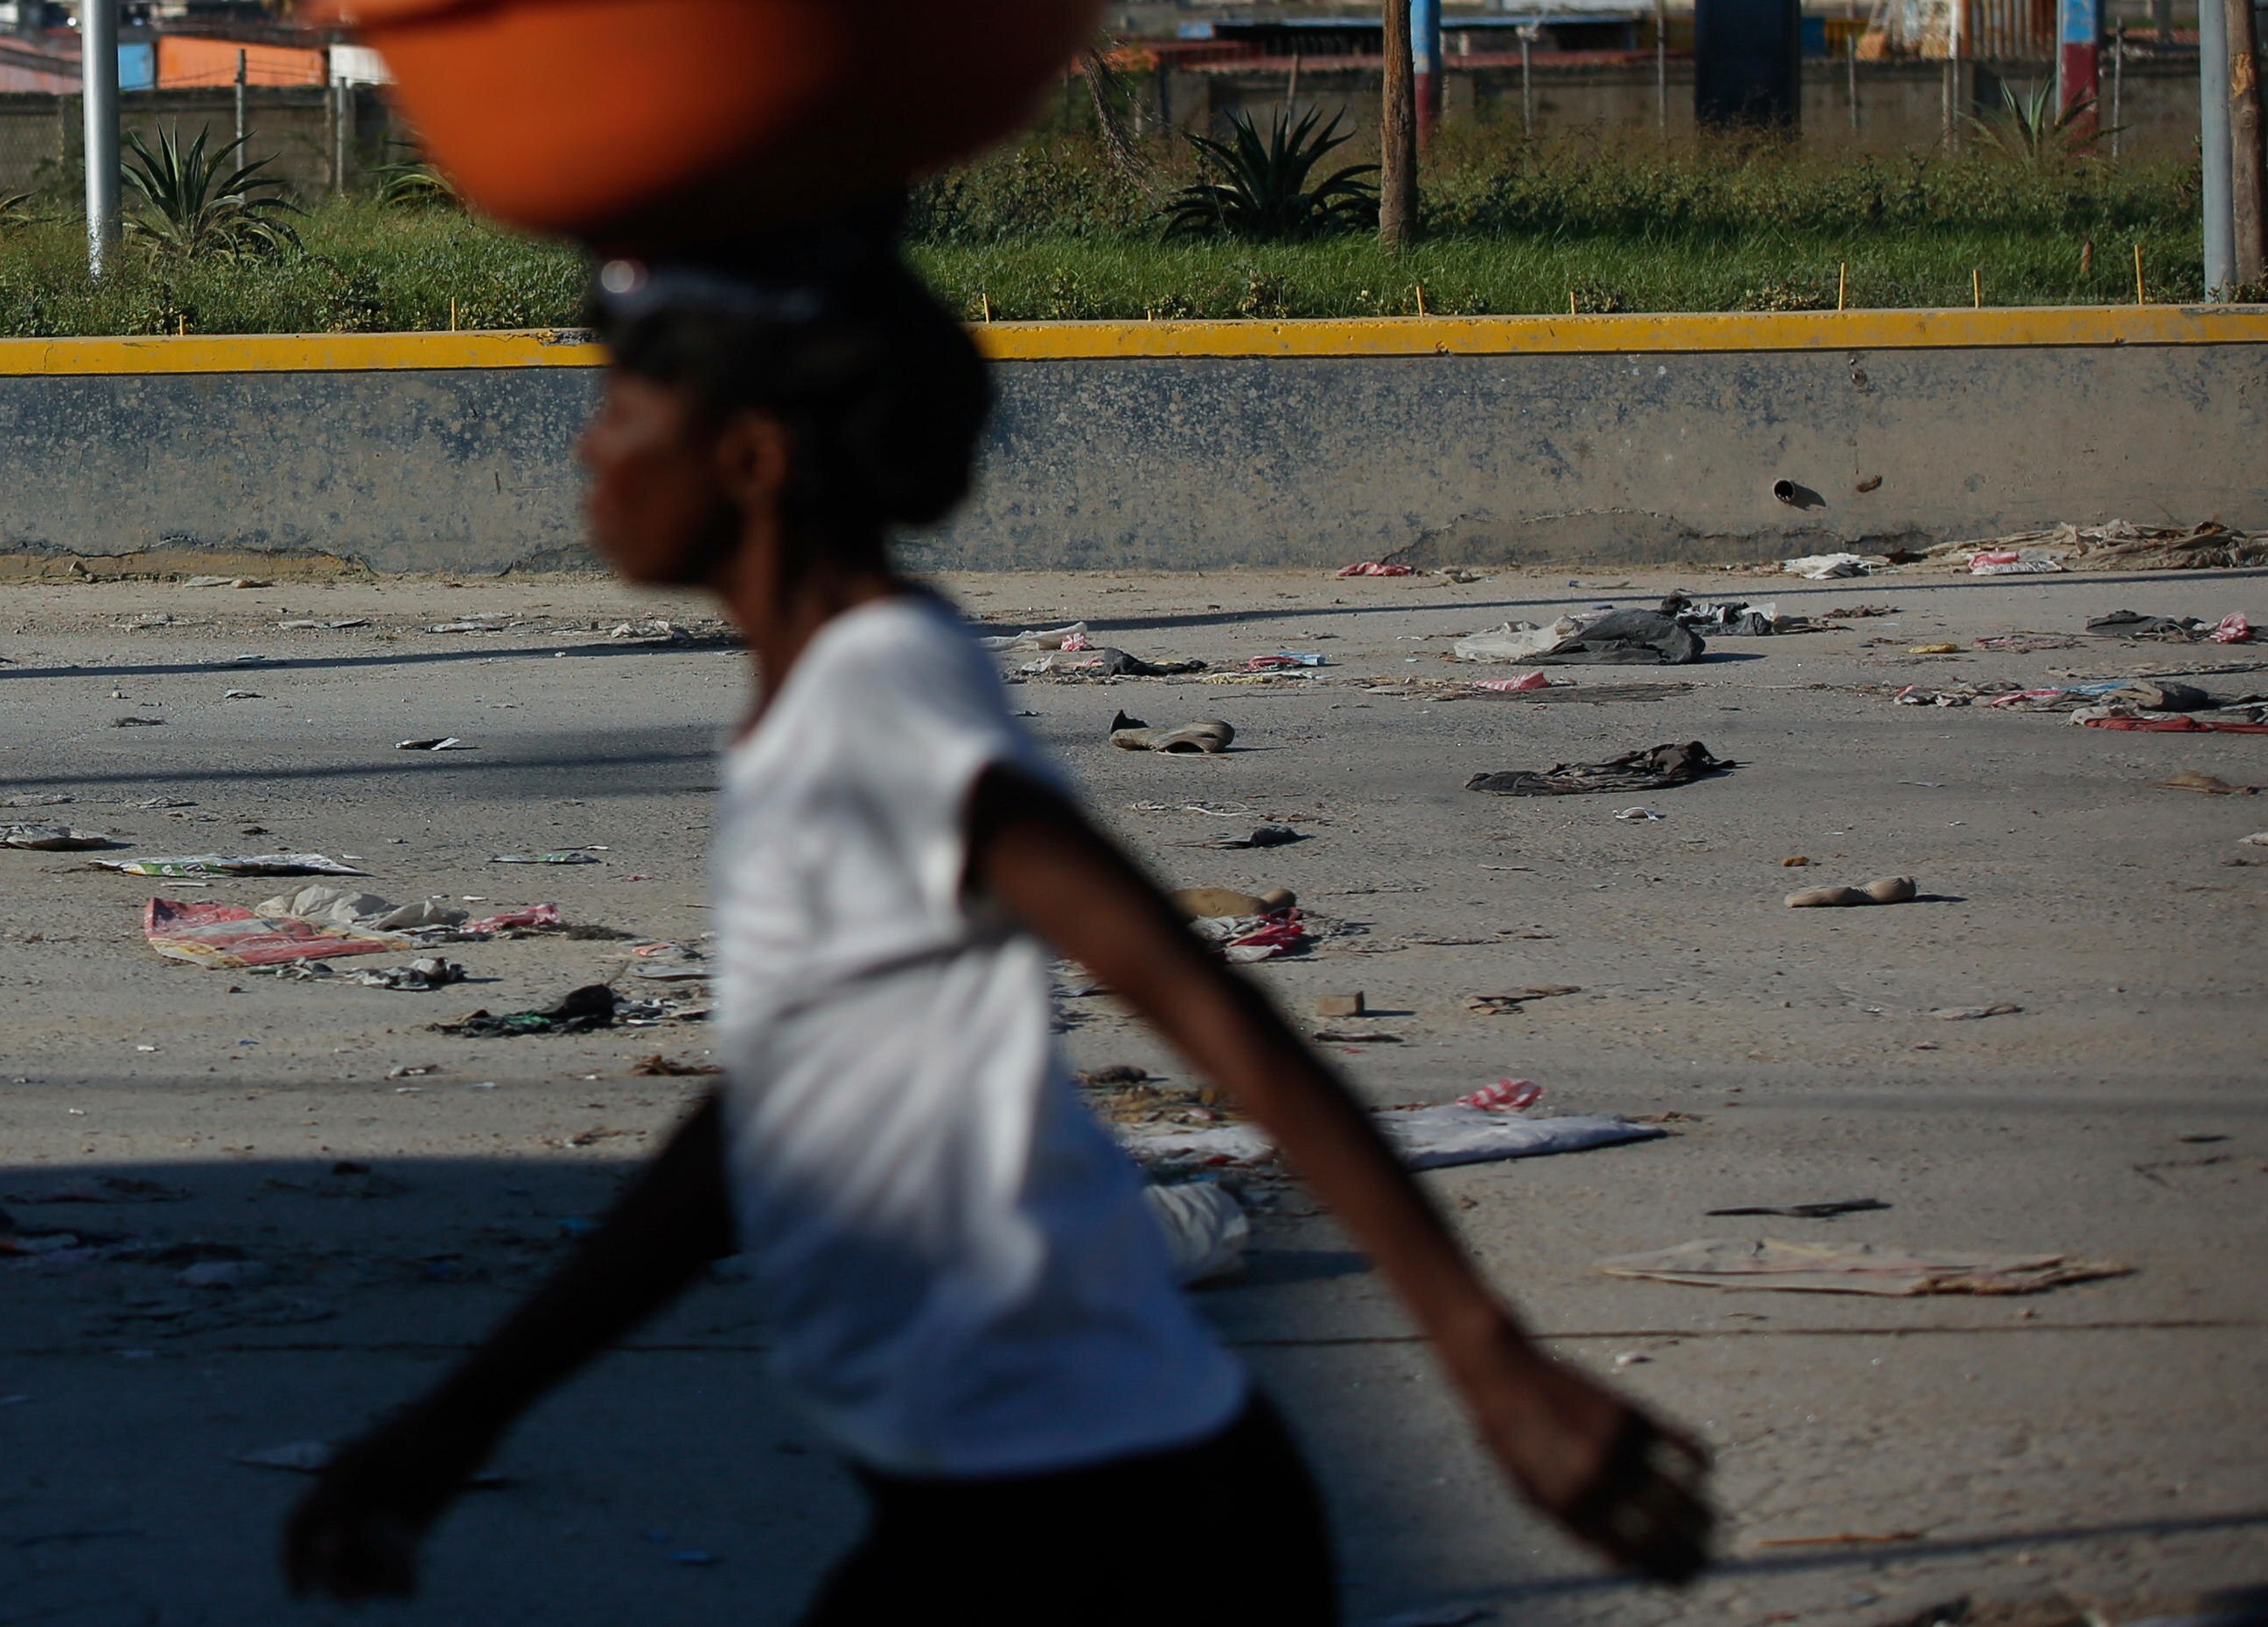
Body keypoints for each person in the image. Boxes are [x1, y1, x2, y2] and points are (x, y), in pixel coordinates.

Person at [280, 216, 1712, 1624]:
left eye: (621, 411)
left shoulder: (879, 704)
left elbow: (1203, 1003)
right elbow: (759, 1123)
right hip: (1018, 1492)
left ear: (752, 458)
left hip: (1116, 1515)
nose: (588, 452)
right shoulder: (824, 699)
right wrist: (461, 1419)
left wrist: (1488, 1356)